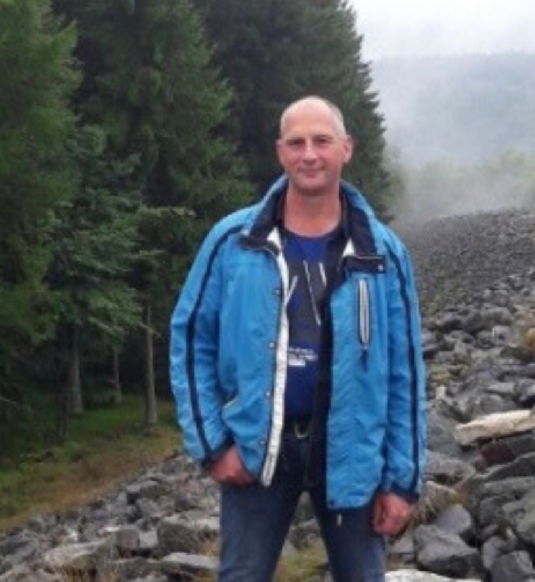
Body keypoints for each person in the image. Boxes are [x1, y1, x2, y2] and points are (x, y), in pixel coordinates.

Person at [170, 96, 426, 582]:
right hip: (256, 446)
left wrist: (401, 481)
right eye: (297, 142)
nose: (309, 154)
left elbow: (405, 371)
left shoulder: (382, 254)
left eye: (322, 141)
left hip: (352, 452)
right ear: (280, 152)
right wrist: (212, 445)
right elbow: (190, 341)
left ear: (346, 149)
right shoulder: (233, 242)